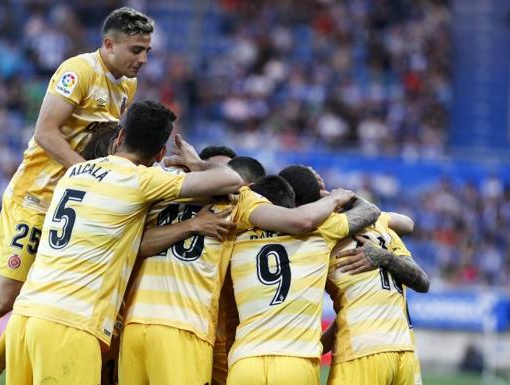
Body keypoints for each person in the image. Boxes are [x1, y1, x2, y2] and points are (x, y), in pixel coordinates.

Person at [0, 7, 154, 385]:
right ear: (109, 44)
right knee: (4, 298)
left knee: (38, 300)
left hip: (72, 205)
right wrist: (89, 173)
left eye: (147, 51)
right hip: (36, 196)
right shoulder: (77, 72)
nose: (143, 59)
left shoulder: (127, 87)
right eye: (135, 50)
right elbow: (46, 132)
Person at [4, 100, 243, 385]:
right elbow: (232, 180)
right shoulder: (140, 180)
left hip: (24, 317)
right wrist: (194, 163)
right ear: (160, 153)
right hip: (70, 323)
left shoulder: (73, 173)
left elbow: (125, 240)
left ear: (120, 137)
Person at [119, 157, 360, 385]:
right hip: (192, 330)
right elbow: (317, 219)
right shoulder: (240, 213)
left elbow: (135, 244)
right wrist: (332, 198)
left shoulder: (164, 199)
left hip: (231, 355)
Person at [278, 165, 429, 385]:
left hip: (360, 351)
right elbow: (423, 281)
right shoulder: (379, 225)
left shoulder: (318, 235)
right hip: (404, 354)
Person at [225, 175, 381, 385]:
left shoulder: (237, 239)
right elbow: (371, 212)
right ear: (292, 206)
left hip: (245, 362)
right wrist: (333, 197)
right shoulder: (319, 233)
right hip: (296, 362)